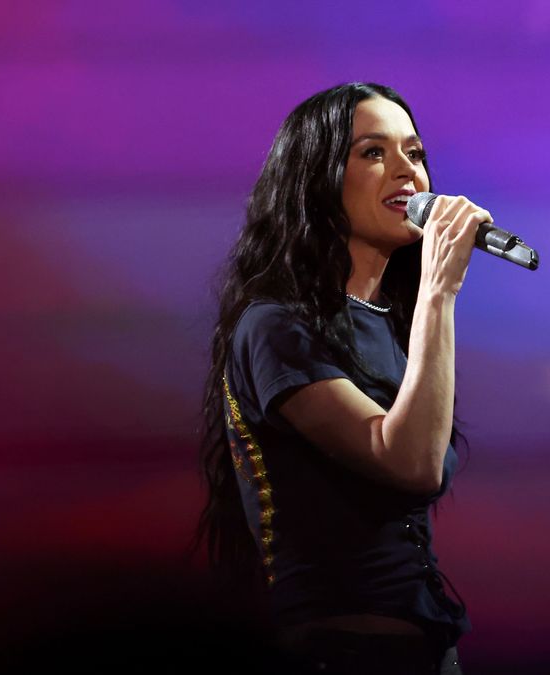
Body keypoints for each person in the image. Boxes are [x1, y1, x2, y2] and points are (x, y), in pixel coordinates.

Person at [195, 82, 491, 675]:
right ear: (316, 180)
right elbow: (409, 464)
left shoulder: (395, 324)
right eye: (373, 153)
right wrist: (439, 293)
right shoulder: (275, 326)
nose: (407, 172)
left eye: (415, 152)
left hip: (428, 651)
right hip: (343, 652)